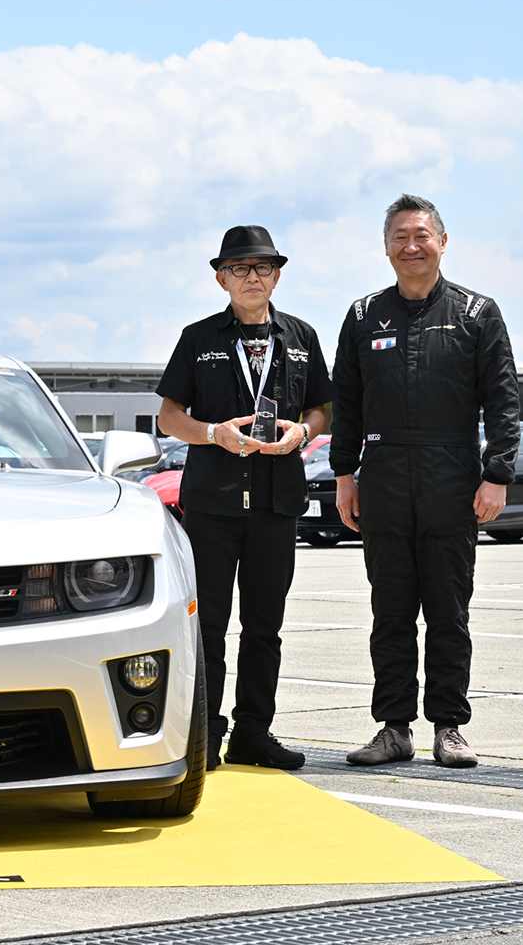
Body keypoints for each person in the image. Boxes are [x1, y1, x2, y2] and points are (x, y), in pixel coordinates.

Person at [330, 194, 519, 769]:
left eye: (420, 235)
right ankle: (393, 728)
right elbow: (347, 404)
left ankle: (450, 727)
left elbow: (503, 401)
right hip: (384, 477)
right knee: (389, 611)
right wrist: (345, 475)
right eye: (399, 237)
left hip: (451, 478)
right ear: (385, 246)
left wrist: (497, 476)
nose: (410, 247)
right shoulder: (364, 315)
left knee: (447, 610)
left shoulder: (476, 312)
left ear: (441, 241)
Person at [157, 224, 334, 772]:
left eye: (261, 267)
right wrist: (214, 434)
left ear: (277, 275)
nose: (251, 277)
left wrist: (300, 435)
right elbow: (169, 417)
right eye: (239, 268)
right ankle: (205, 731)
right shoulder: (198, 338)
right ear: (220, 278)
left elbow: (323, 409)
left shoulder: (301, 337)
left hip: (278, 504)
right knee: (208, 622)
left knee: (265, 625)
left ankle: (254, 732)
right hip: (212, 504)